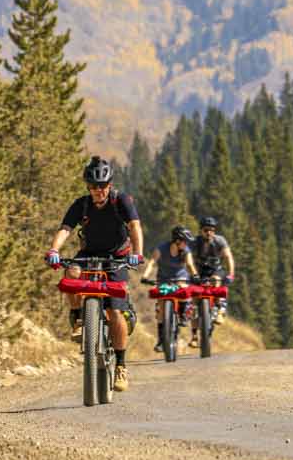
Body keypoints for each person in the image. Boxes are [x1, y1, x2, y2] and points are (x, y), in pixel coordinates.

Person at [45, 156, 142, 392]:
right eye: (93, 187)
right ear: (88, 187)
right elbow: (65, 229)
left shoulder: (122, 201)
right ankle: (78, 316)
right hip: (88, 253)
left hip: (117, 257)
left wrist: (137, 253)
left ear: (109, 184)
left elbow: (135, 227)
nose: (98, 191)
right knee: (71, 273)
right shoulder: (82, 204)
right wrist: (54, 250)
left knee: (115, 311)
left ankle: (120, 364)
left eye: (102, 186)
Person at [142, 225, 201, 352]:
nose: (186, 244)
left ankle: (184, 312)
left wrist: (195, 275)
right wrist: (145, 276)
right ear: (177, 240)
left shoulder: (186, 251)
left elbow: (190, 265)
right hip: (163, 279)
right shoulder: (161, 248)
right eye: (185, 241)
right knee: (161, 307)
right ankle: (161, 340)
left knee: (183, 288)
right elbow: (152, 262)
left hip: (181, 279)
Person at [194, 215, 236, 318]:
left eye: (212, 230)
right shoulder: (195, 241)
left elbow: (228, 257)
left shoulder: (220, 240)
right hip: (199, 270)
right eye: (206, 230)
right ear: (201, 230)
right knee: (193, 291)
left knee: (216, 280)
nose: (209, 233)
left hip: (215, 270)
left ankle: (219, 307)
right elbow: (187, 257)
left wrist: (231, 274)